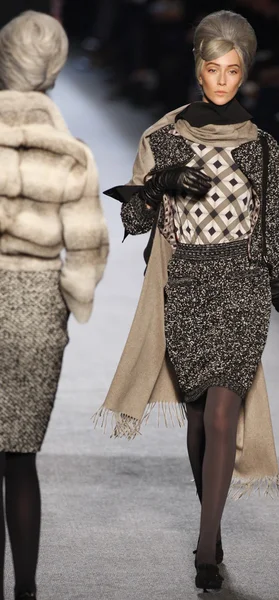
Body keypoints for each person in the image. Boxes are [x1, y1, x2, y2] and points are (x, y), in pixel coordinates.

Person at [95, 10, 279, 592]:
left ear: (245, 74)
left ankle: (206, 543)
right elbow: (135, 222)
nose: (222, 80)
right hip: (184, 284)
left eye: (233, 70)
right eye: (213, 68)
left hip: (241, 287)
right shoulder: (163, 139)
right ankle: (210, 522)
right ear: (198, 69)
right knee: (196, 419)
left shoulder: (263, 149)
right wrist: (160, 181)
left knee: (220, 413)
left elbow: (270, 233)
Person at [0, 11, 109, 600]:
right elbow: (88, 249)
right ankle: (27, 590)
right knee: (20, 458)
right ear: (56, 68)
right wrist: (67, 299)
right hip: (36, 304)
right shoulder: (71, 153)